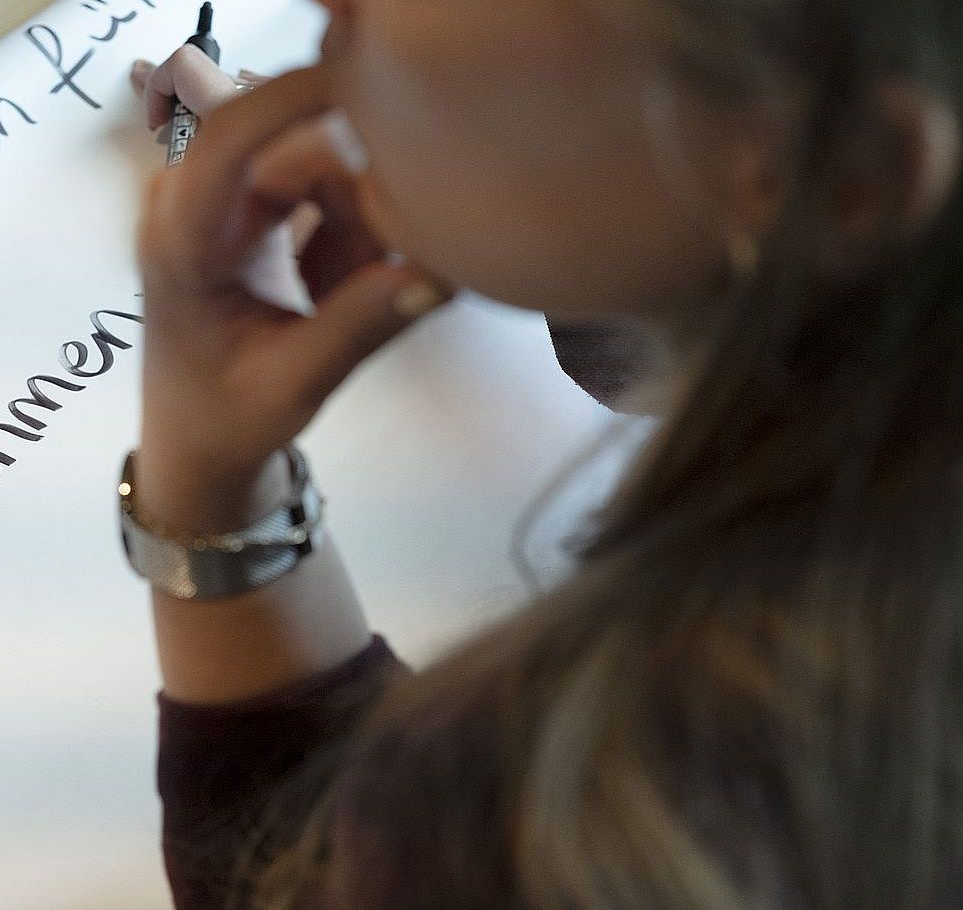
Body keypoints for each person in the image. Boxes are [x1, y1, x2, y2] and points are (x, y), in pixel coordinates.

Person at [122, 0, 963, 907]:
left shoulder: (659, 817)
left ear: (840, 175)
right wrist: (448, 161)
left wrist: (205, 478)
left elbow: (302, 874)